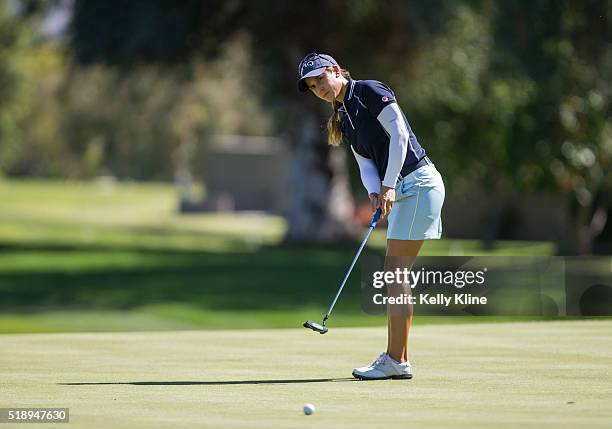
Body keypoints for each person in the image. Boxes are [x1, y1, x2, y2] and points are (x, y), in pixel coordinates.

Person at [297, 53, 445, 380]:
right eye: (312, 86)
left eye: (320, 79)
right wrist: (375, 191)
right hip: (401, 188)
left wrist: (389, 184)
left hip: (418, 183)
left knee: (395, 272)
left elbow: (400, 136)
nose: (318, 88)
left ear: (336, 70)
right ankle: (398, 360)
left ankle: (396, 359)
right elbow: (364, 162)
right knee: (395, 273)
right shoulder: (343, 116)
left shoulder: (368, 91)